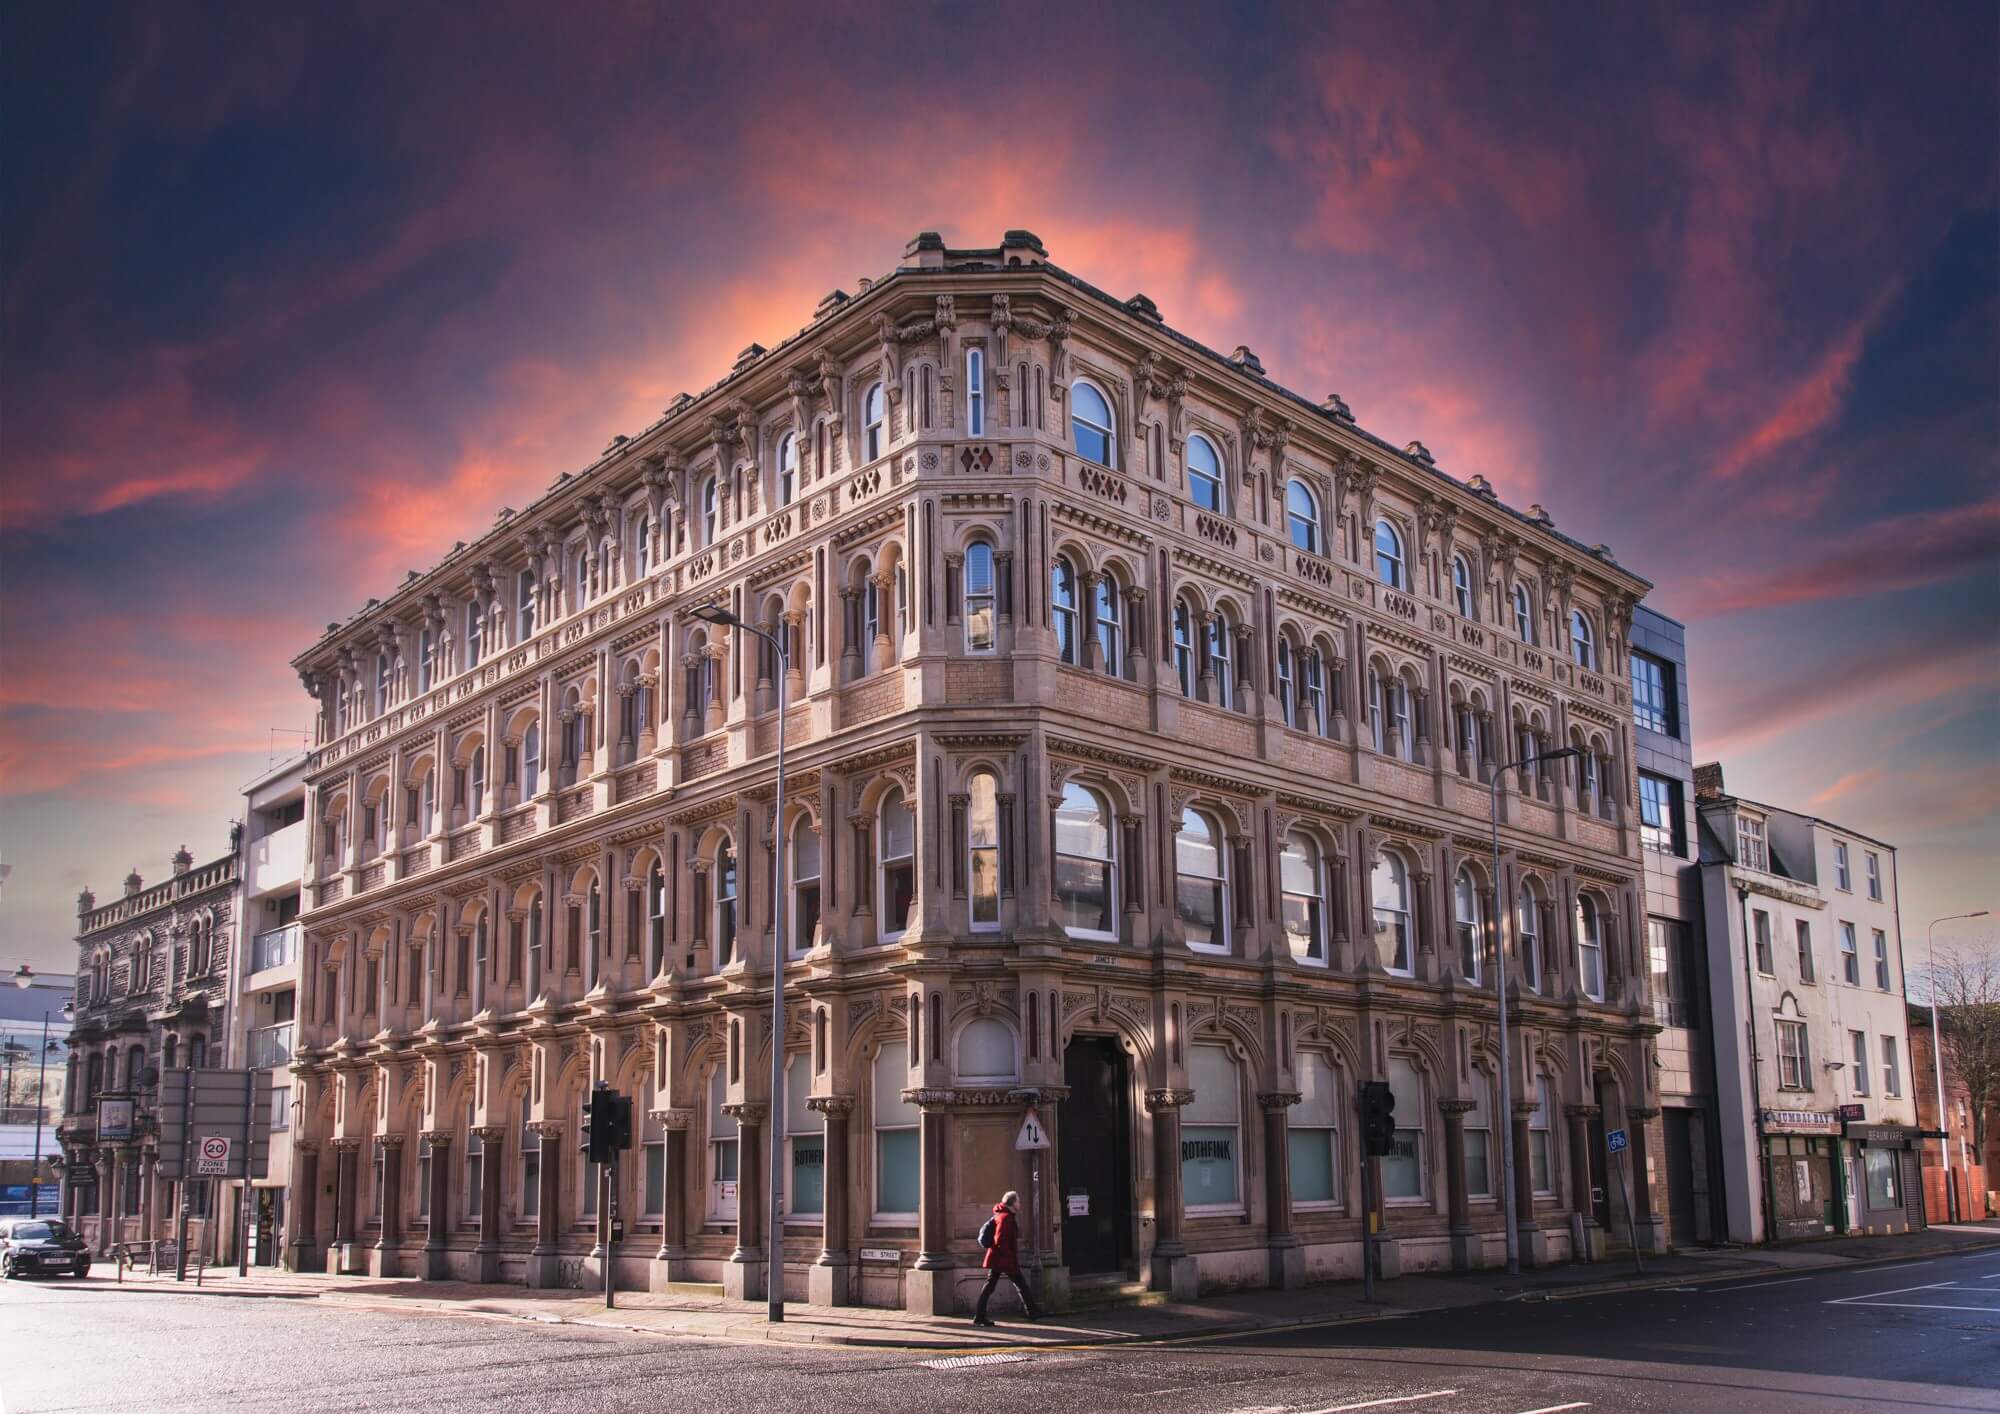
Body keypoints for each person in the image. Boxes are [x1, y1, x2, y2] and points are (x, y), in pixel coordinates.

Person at [973, 1189, 1039, 1326]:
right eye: (1018, 1201)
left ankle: (979, 1316)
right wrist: (1009, 1259)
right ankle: (1032, 1312)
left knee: (990, 1287)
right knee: (1020, 1284)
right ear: (1013, 1202)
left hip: (999, 1258)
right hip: (1003, 1259)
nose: (1020, 1203)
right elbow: (1000, 1241)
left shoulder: (1002, 1215)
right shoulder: (1005, 1218)